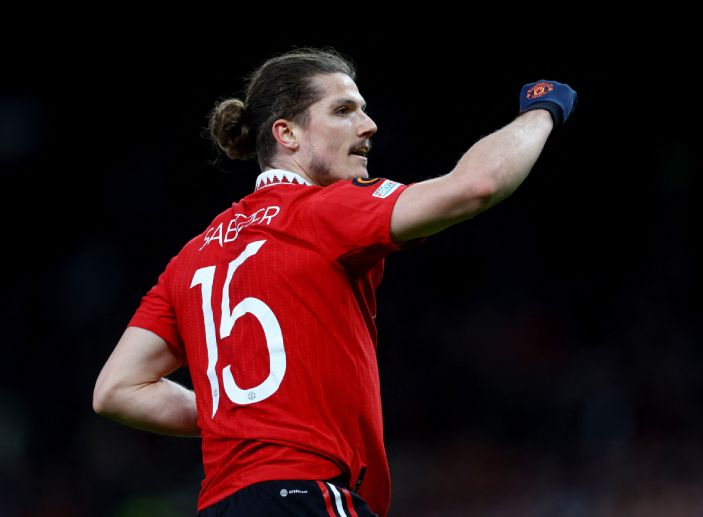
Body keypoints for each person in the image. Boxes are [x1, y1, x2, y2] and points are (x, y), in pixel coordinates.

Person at [93, 47, 577, 516]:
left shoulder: (192, 256)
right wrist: (542, 111)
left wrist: (246, 417)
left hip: (221, 506)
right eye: (343, 110)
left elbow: (116, 389)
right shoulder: (322, 211)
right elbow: (475, 186)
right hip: (305, 494)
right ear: (287, 133)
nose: (369, 125)